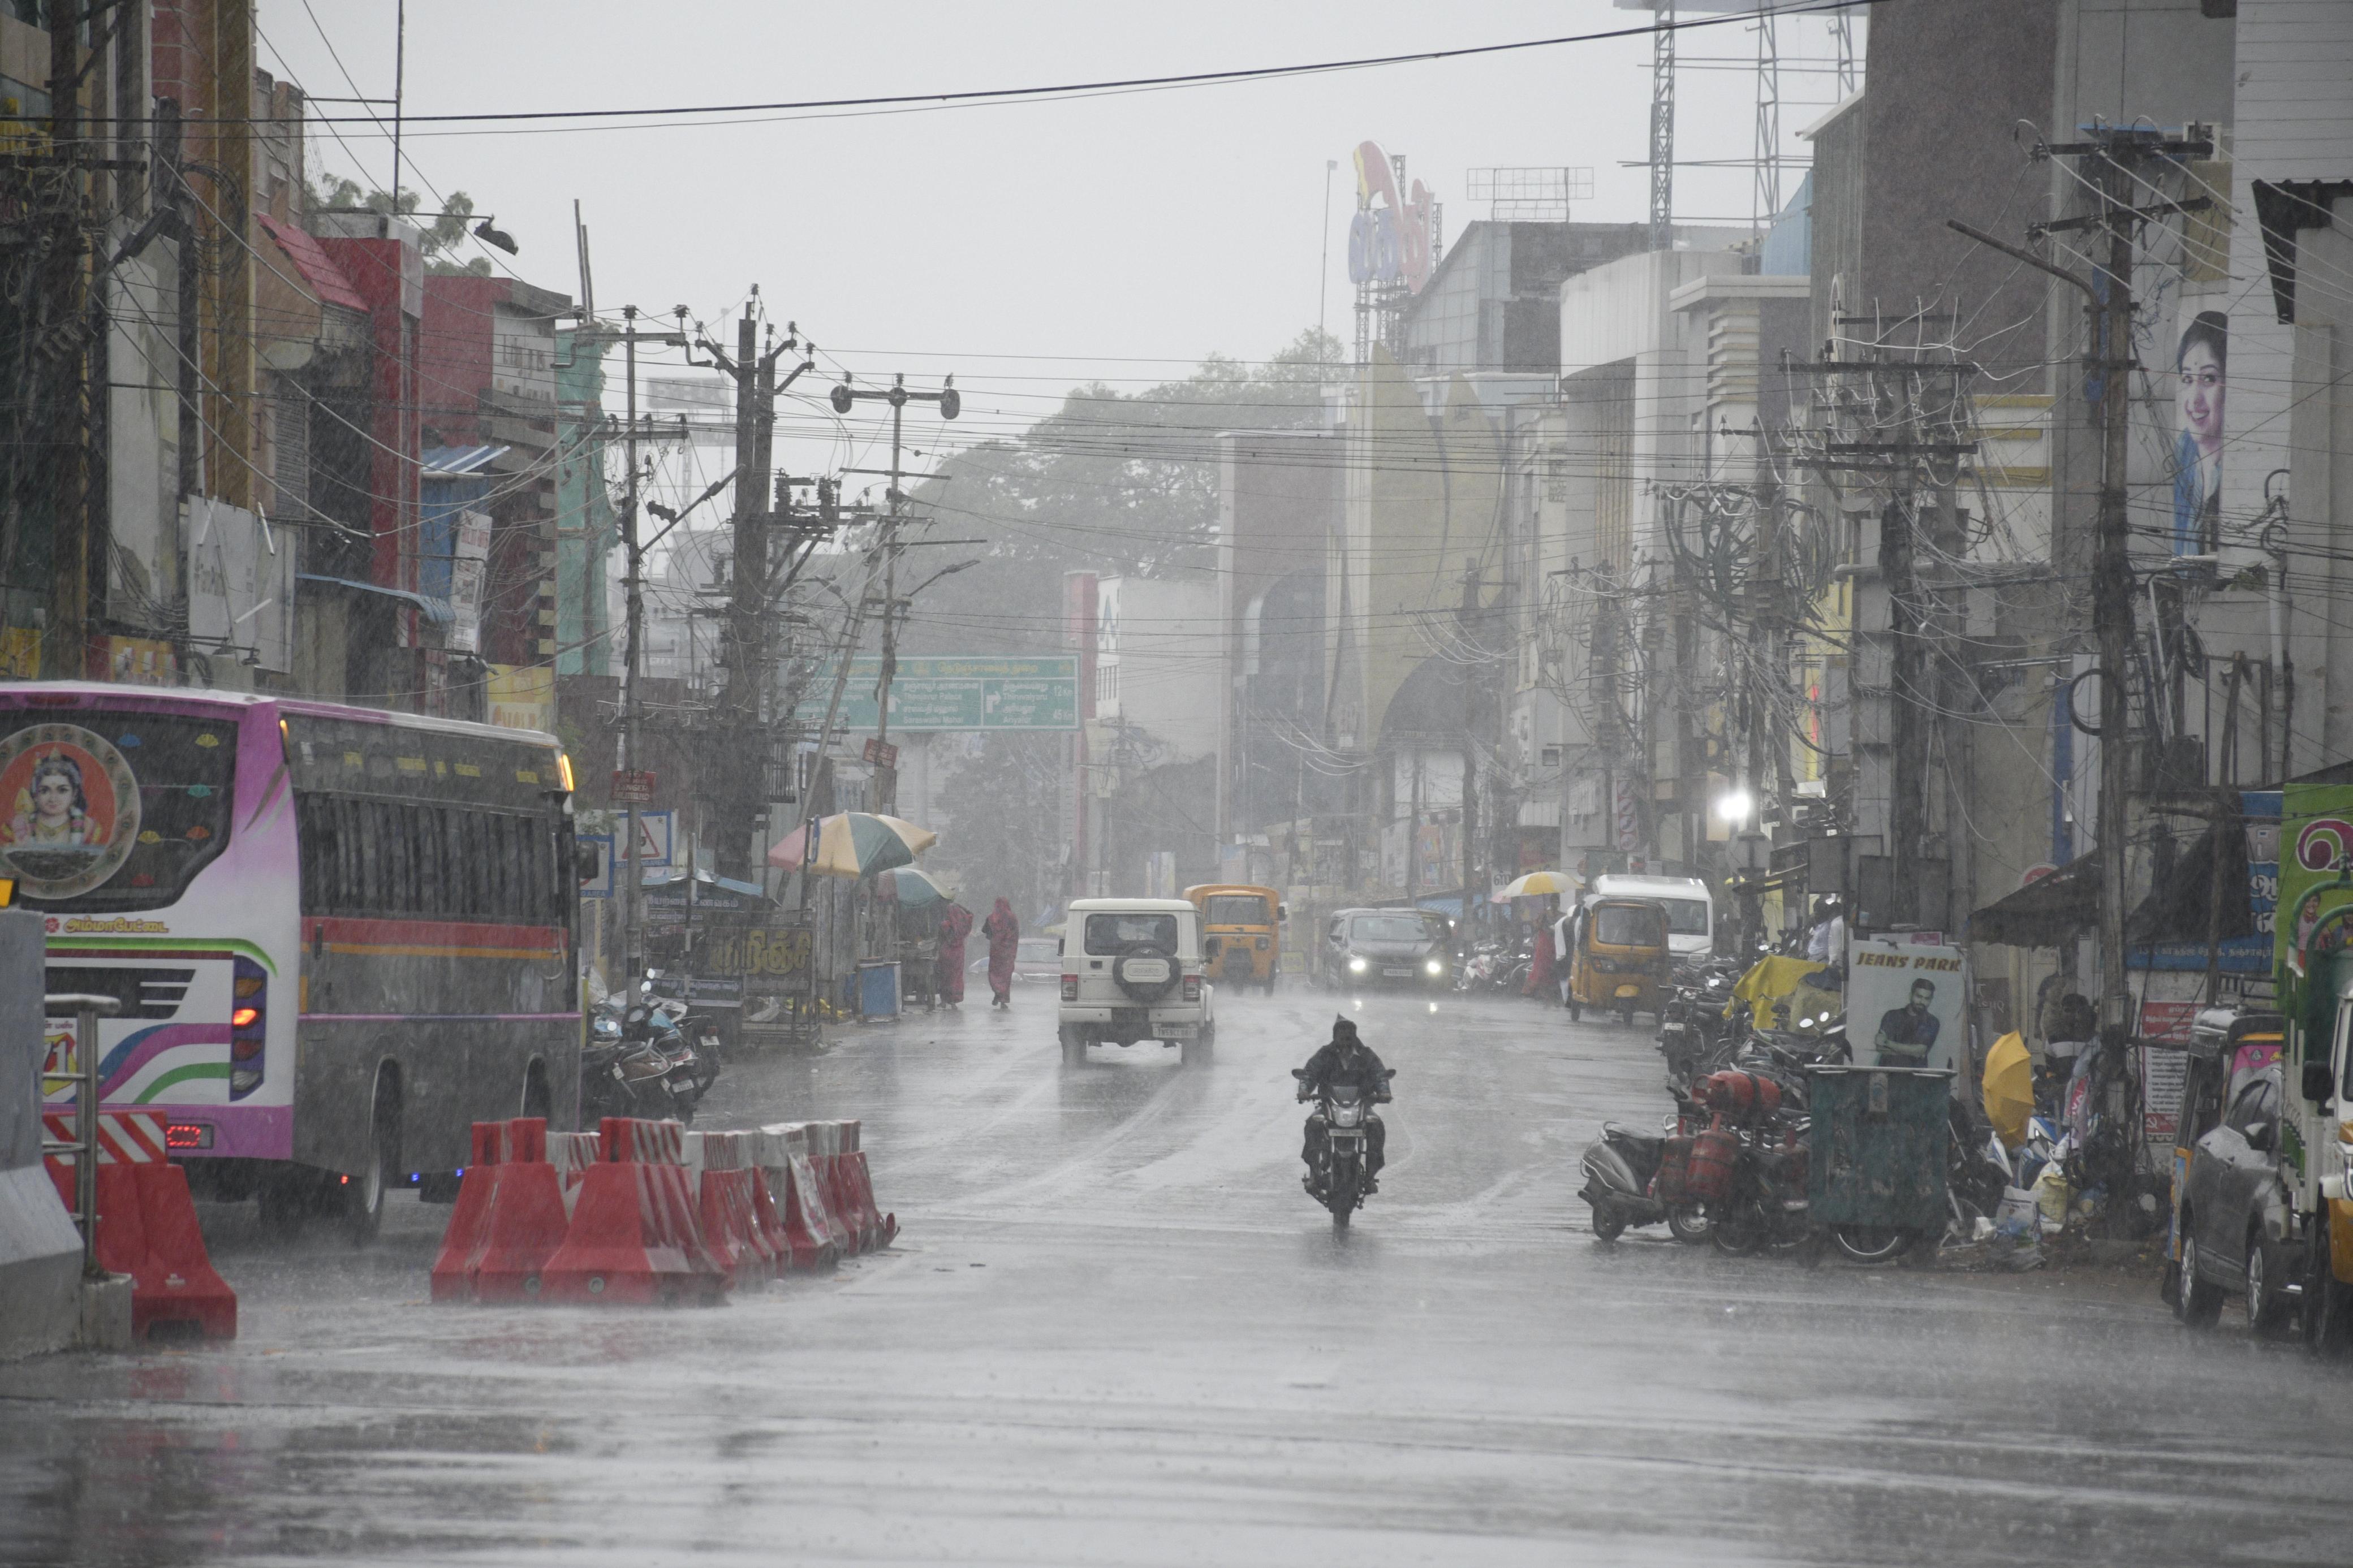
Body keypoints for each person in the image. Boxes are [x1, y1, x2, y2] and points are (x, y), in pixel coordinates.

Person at [1298, 1015, 1390, 1193]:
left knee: (1376, 1126)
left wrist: (1384, 1092)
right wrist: (1304, 1091)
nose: (1345, 1037)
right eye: (1341, 1032)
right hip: (1329, 1105)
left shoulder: (1366, 1055)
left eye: (1349, 1032)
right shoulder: (1325, 1054)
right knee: (1313, 1124)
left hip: (1361, 1106)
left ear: (1355, 1035)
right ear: (1335, 1035)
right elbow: (1309, 1073)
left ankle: (1370, 1176)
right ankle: (1315, 1173)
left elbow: (1380, 1074)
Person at [2171, 311, 2227, 557]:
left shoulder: (2239, 463)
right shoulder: (2185, 449)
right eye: (2187, 379)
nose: (2194, 400)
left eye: (2208, 378)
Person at [7, 752, 106, 846]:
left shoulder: (89, 828)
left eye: (62, 790)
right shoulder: (20, 826)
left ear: (75, 794)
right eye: (45, 791)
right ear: (35, 794)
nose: (53, 799)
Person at [1873, 978, 1942, 1066]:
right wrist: (1910, 1051)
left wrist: (1887, 1043)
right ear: (1911, 996)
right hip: (1888, 1073)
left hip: (1915, 1076)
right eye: (1919, 997)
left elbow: (1919, 1051)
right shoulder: (1891, 1015)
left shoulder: (1932, 1022)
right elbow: (1880, 1048)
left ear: (1931, 1000)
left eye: (1927, 999)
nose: (1922, 1002)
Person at [981, 897, 1020, 1008]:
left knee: (994, 973)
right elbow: (1015, 932)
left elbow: (985, 932)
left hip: (996, 951)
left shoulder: (991, 917)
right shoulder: (1012, 917)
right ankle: (1003, 999)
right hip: (1008, 952)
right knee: (1006, 976)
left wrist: (996, 937)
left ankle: (997, 991)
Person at [935, 901, 973, 1008]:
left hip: (946, 953)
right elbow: (970, 915)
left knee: (945, 977)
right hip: (959, 954)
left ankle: (943, 1001)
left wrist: (937, 953)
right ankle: (953, 1001)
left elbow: (940, 940)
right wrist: (960, 906)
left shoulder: (944, 925)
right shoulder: (963, 925)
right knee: (956, 978)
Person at [1524, 898, 1557, 1000]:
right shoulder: (1546, 915)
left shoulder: (1551, 915)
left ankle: (1538, 990)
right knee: (1541, 967)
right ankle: (1534, 990)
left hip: (1549, 942)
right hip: (1545, 943)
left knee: (1544, 967)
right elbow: (1538, 926)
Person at [1804, 895, 1845, 964]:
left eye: (1817, 912)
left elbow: (1835, 946)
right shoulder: (1820, 926)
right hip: (1813, 957)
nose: (1815, 914)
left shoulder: (1832, 925)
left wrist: (1832, 960)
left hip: (1821, 959)